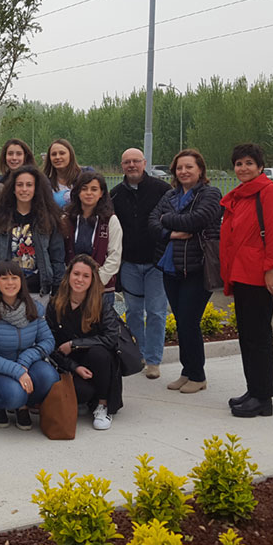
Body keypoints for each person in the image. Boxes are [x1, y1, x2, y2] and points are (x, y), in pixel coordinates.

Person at [220, 143, 273, 418]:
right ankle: (254, 389)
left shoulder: (269, 193)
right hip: (242, 275)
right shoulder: (240, 196)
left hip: (259, 276)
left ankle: (263, 398)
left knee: (259, 337)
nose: (243, 168)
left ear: (260, 167)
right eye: (238, 163)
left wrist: (272, 268)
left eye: (249, 163)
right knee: (247, 337)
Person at [150, 149, 222, 395]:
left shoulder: (210, 194)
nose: (183, 172)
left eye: (189, 167)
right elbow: (151, 222)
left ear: (200, 169)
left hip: (197, 268)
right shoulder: (170, 195)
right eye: (179, 168)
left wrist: (166, 220)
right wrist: (169, 232)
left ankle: (198, 375)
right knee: (181, 322)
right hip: (171, 268)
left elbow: (198, 220)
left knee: (190, 321)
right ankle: (187, 371)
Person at [111, 148, 171, 379]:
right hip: (129, 264)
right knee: (133, 312)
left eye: (136, 161)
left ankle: (154, 361)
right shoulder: (115, 195)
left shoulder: (162, 190)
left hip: (156, 263)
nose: (132, 165)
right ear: (122, 166)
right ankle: (139, 356)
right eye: (127, 162)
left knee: (156, 312)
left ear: (144, 163)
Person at [0, 261, 58, 429]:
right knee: (14, 395)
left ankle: (24, 405)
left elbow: (48, 341)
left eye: (14, 278)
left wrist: (25, 361)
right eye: (4, 278)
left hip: (26, 364)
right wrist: (17, 371)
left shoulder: (34, 307)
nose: (10, 283)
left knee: (50, 377)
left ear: (21, 281)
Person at [45, 256, 124, 431]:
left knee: (99, 353)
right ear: (69, 275)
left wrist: (75, 344)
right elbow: (50, 345)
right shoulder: (55, 304)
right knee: (82, 392)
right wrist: (74, 367)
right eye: (76, 274)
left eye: (86, 276)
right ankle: (88, 399)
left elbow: (111, 338)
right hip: (71, 364)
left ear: (92, 279)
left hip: (100, 363)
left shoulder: (101, 303)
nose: (80, 279)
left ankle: (102, 405)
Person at [0, 165, 65, 303]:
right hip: (7, 292)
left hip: (39, 292)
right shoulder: (1, 219)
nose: (24, 189)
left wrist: (56, 290)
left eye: (29, 185)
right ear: (13, 189)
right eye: (20, 185)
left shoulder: (48, 219)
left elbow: (57, 258)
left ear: (36, 189)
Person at [62, 171, 122, 304]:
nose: (89, 193)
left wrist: (96, 281)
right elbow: (61, 252)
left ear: (101, 193)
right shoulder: (66, 219)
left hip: (101, 289)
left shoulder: (110, 220)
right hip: (72, 288)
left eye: (94, 189)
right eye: (84, 189)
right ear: (77, 192)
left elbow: (115, 256)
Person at [44, 139, 83, 208]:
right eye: (54, 154)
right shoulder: (44, 182)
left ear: (70, 155)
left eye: (62, 153)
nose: (57, 157)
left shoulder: (84, 176)